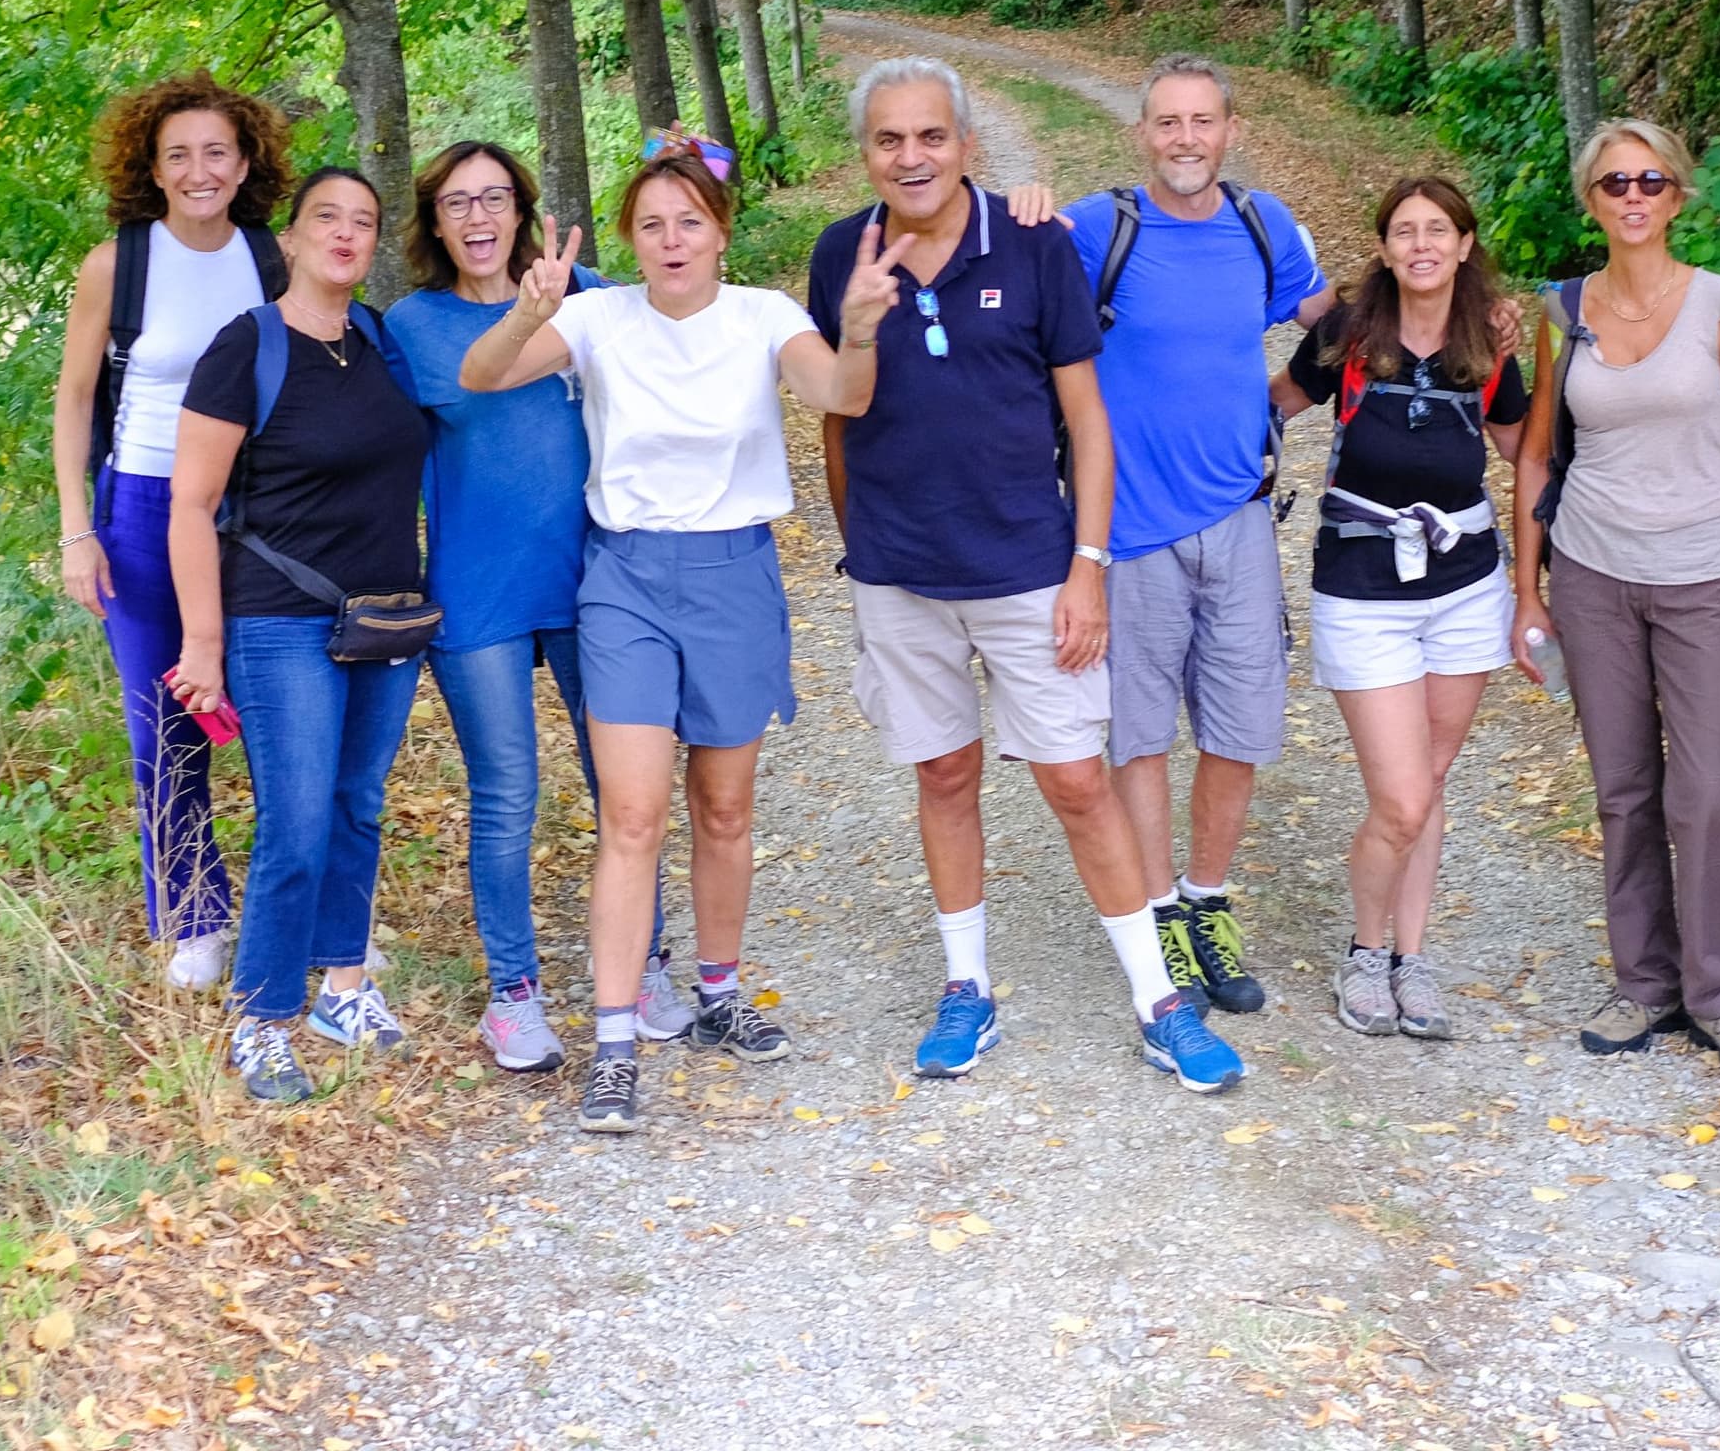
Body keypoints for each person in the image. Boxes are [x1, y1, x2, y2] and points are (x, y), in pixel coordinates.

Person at [816, 57, 1246, 1097]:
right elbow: (837, 408)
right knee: (944, 774)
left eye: (930, 135)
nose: (910, 156)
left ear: (966, 143)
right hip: (900, 573)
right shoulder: (843, 253)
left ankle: (1159, 1001)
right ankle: (968, 986)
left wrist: (1088, 568)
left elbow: (1088, 422)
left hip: (1023, 564)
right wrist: (858, 544)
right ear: (866, 152)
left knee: (1076, 781)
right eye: (888, 139)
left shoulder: (1035, 242)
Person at [460, 148, 892, 1134]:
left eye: (688, 222)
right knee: (634, 812)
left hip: (735, 574)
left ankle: (718, 988)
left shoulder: (765, 315)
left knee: (725, 806)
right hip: (626, 581)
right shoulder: (597, 318)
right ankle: (616, 1044)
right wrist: (530, 307)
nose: (670, 241)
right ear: (630, 238)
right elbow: (480, 376)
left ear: (721, 230)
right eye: (651, 225)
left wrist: (860, 331)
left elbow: (842, 394)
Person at [383, 141, 689, 1074]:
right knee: (507, 794)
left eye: (495, 199)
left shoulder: (586, 290)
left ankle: (642, 965)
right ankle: (513, 993)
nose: (479, 218)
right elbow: (479, 375)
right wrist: (532, 311)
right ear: (435, 224)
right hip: (479, 594)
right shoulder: (415, 321)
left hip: (597, 581)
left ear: (522, 210)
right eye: (458, 203)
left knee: (621, 790)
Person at [1513, 119, 1720, 1075]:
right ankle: (1644, 985)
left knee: (1706, 790)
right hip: (1591, 573)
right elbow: (1539, 454)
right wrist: (1528, 587)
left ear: (1679, 196)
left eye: (1651, 182)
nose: (1633, 198)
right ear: (1591, 200)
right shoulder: (1565, 310)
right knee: (1625, 792)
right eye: (1613, 184)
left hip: (1703, 577)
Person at [164, 166, 433, 1104]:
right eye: (328, 218)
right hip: (281, 621)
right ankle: (262, 1018)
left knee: (357, 802)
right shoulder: (246, 349)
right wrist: (203, 644)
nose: (346, 235)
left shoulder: (378, 338)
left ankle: (344, 988)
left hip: (388, 613)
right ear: (288, 238)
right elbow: (190, 505)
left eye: (363, 222)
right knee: (297, 820)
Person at [1066, 55, 1326, 1018]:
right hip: (1128, 531)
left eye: (1202, 121)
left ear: (1231, 129)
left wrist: (1478, 310)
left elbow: (1339, 322)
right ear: (1143, 135)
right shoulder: (1103, 229)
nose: (1186, 139)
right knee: (1139, 737)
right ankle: (1159, 910)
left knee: (1240, 727)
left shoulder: (1265, 228)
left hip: (1241, 519)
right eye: (1168, 123)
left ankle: (1208, 901)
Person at [48, 72, 293, 994]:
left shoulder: (274, 259)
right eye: (178, 155)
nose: (199, 171)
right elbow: (75, 399)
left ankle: (299, 914)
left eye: (216, 153)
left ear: (245, 165)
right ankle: (195, 917)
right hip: (144, 508)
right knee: (166, 725)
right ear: (151, 169)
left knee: (280, 718)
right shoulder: (119, 266)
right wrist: (79, 529)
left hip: (258, 512)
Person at [1272, 175, 1528, 1042]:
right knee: (1403, 797)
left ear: (1463, 246)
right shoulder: (1349, 335)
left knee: (1431, 783)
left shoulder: (1488, 343)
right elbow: (1277, 403)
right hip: (1362, 587)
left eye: (1439, 232)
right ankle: (1365, 950)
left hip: (1464, 583)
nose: (1422, 245)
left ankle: (1411, 961)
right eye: (1404, 232)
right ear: (1384, 248)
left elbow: (1524, 453)